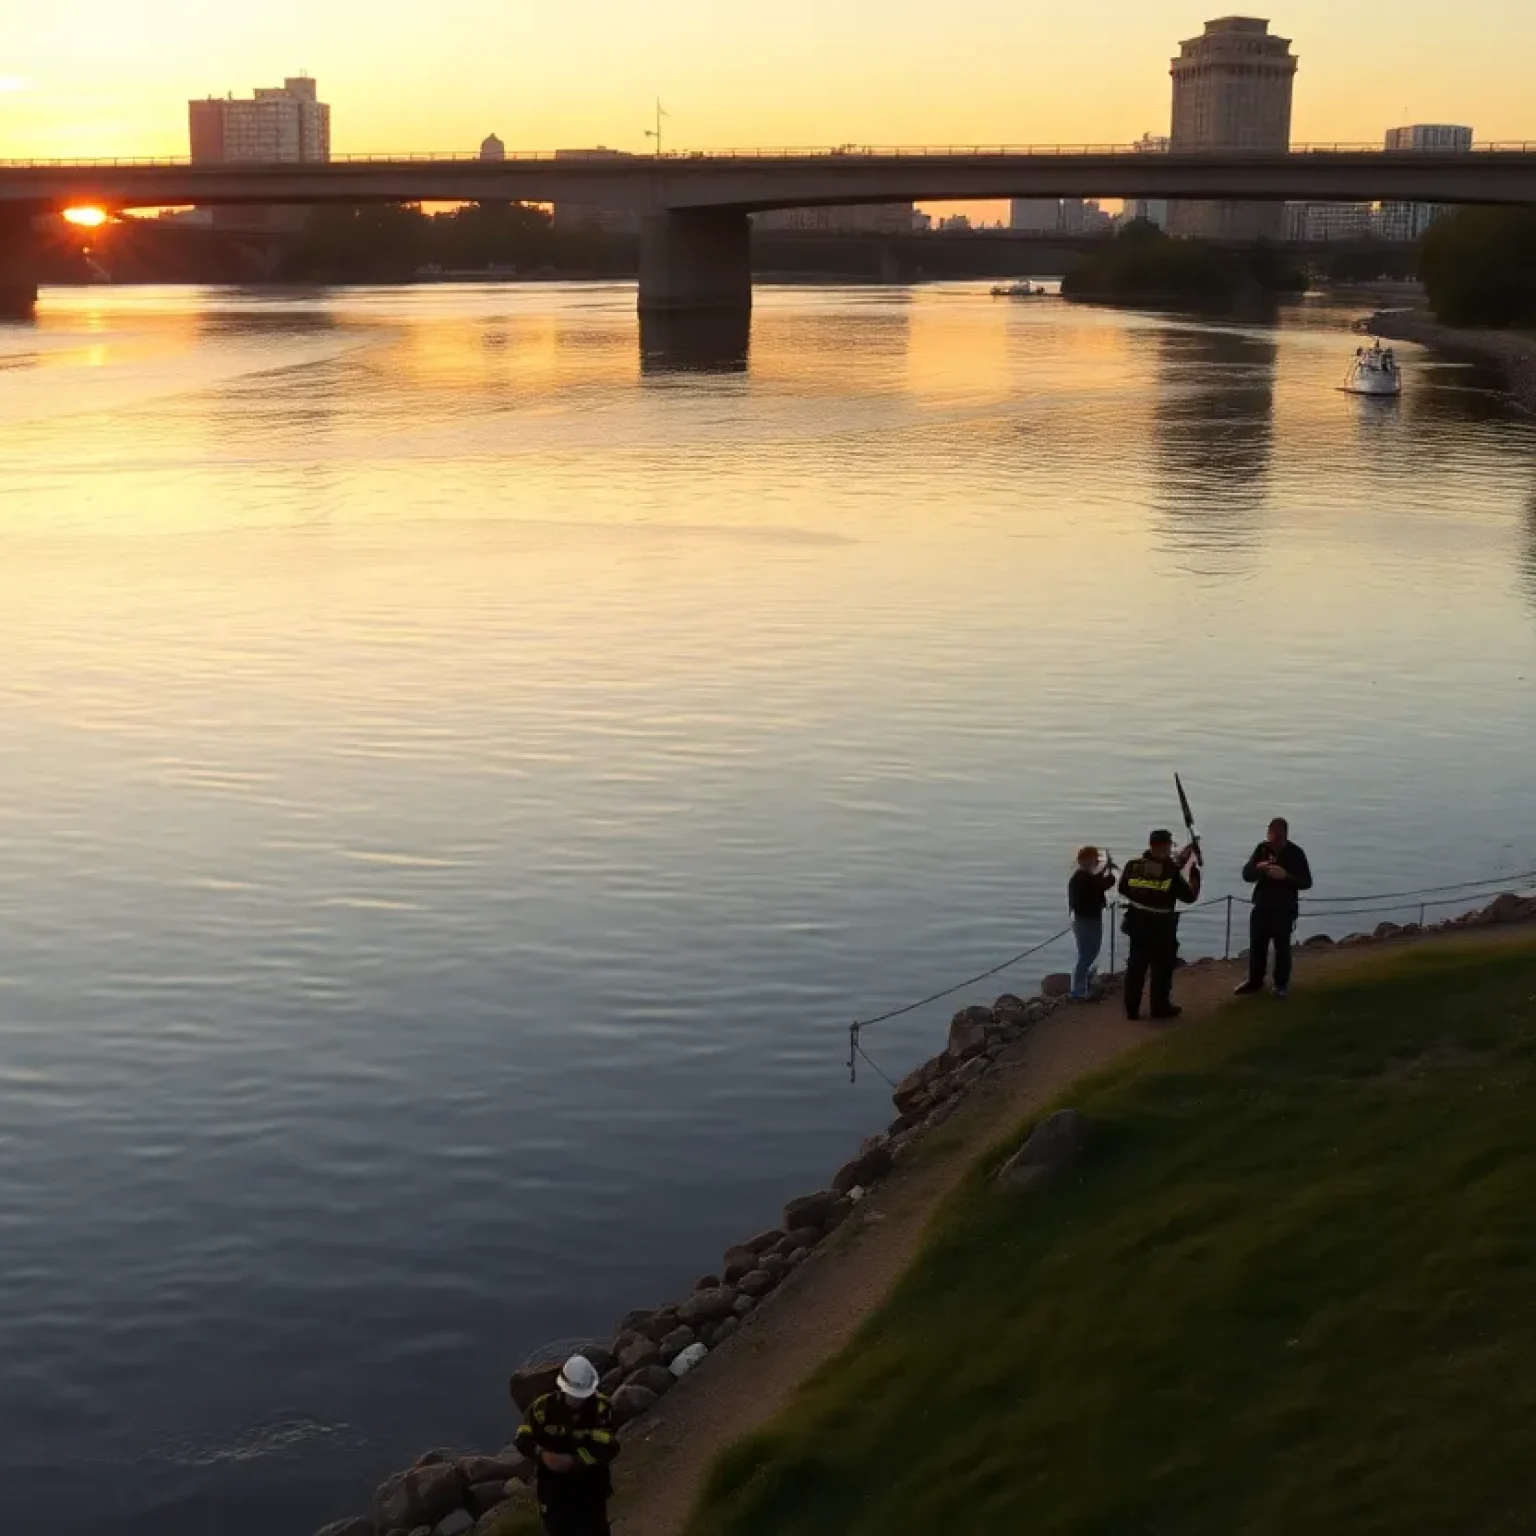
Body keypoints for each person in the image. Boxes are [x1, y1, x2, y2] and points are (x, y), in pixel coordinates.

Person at [514, 1355, 620, 1536]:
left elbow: (609, 1447)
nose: (577, 1400)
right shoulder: (541, 1409)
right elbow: (522, 1439)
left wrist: (575, 1461)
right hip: (553, 1490)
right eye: (573, 1395)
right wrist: (542, 1455)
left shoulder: (601, 1408)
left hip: (591, 1487)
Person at [1118, 829, 1202, 1021]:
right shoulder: (1171, 872)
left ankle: (1132, 1010)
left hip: (1137, 924)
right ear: (1165, 846)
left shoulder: (1133, 866)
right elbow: (1189, 896)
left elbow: (1123, 888)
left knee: (1135, 967)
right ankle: (1160, 1007)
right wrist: (1195, 876)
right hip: (1161, 928)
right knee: (1161, 968)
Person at [1235, 817, 1313, 999]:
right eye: (1272, 837)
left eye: (1278, 838)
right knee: (1256, 945)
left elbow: (1306, 882)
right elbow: (1247, 875)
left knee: (1282, 949)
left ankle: (1281, 984)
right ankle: (1254, 981)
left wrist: (1286, 876)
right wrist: (1258, 868)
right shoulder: (1262, 849)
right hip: (1262, 906)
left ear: (1286, 835)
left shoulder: (1296, 853)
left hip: (1284, 909)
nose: (1275, 842)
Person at [1067, 846, 1117, 1000]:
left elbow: (1101, 884)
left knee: (1092, 951)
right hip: (1085, 921)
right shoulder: (1080, 878)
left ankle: (1086, 983)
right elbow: (1100, 886)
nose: (1096, 861)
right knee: (1086, 954)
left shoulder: (1087, 877)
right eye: (1094, 858)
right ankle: (1078, 988)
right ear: (1084, 860)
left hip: (1091, 919)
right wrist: (1107, 877)